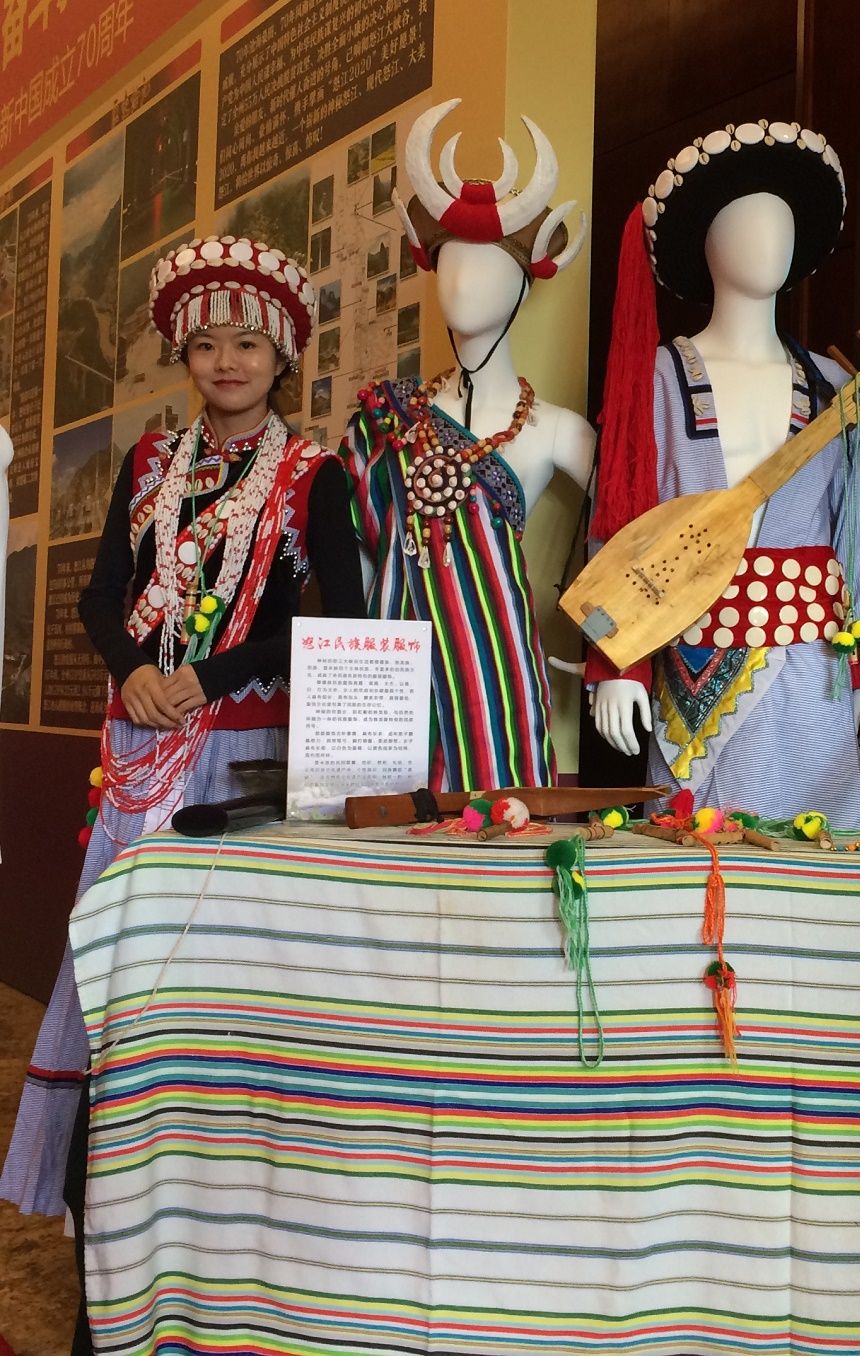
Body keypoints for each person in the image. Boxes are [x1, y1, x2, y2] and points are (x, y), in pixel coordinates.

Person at [0, 235, 363, 1353]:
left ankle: (229, 1259)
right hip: (141, 749)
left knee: (221, 1003)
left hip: (246, 773)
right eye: (206, 345)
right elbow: (101, 595)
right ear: (185, 357)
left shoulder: (314, 478)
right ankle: (107, 1264)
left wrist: (210, 673)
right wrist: (131, 670)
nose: (227, 361)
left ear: (283, 354)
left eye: (248, 342)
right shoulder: (150, 465)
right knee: (118, 993)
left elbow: (338, 620)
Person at [586, 119, 860, 825]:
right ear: (706, 245)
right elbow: (620, 523)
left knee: (818, 855)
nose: (767, 236)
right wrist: (616, 662)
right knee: (700, 855)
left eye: (780, 220)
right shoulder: (656, 380)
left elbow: (858, 533)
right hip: (695, 652)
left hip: (814, 665)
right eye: (744, 220)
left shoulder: (837, 387)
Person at [343, 99, 591, 792]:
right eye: (449, 265)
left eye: (485, 268)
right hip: (385, 671)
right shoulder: (385, 419)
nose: (460, 283)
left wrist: (611, 650)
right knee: (384, 836)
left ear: (524, 285)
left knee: (503, 827)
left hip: (496, 670)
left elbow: (625, 535)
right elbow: (356, 556)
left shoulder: (560, 431)